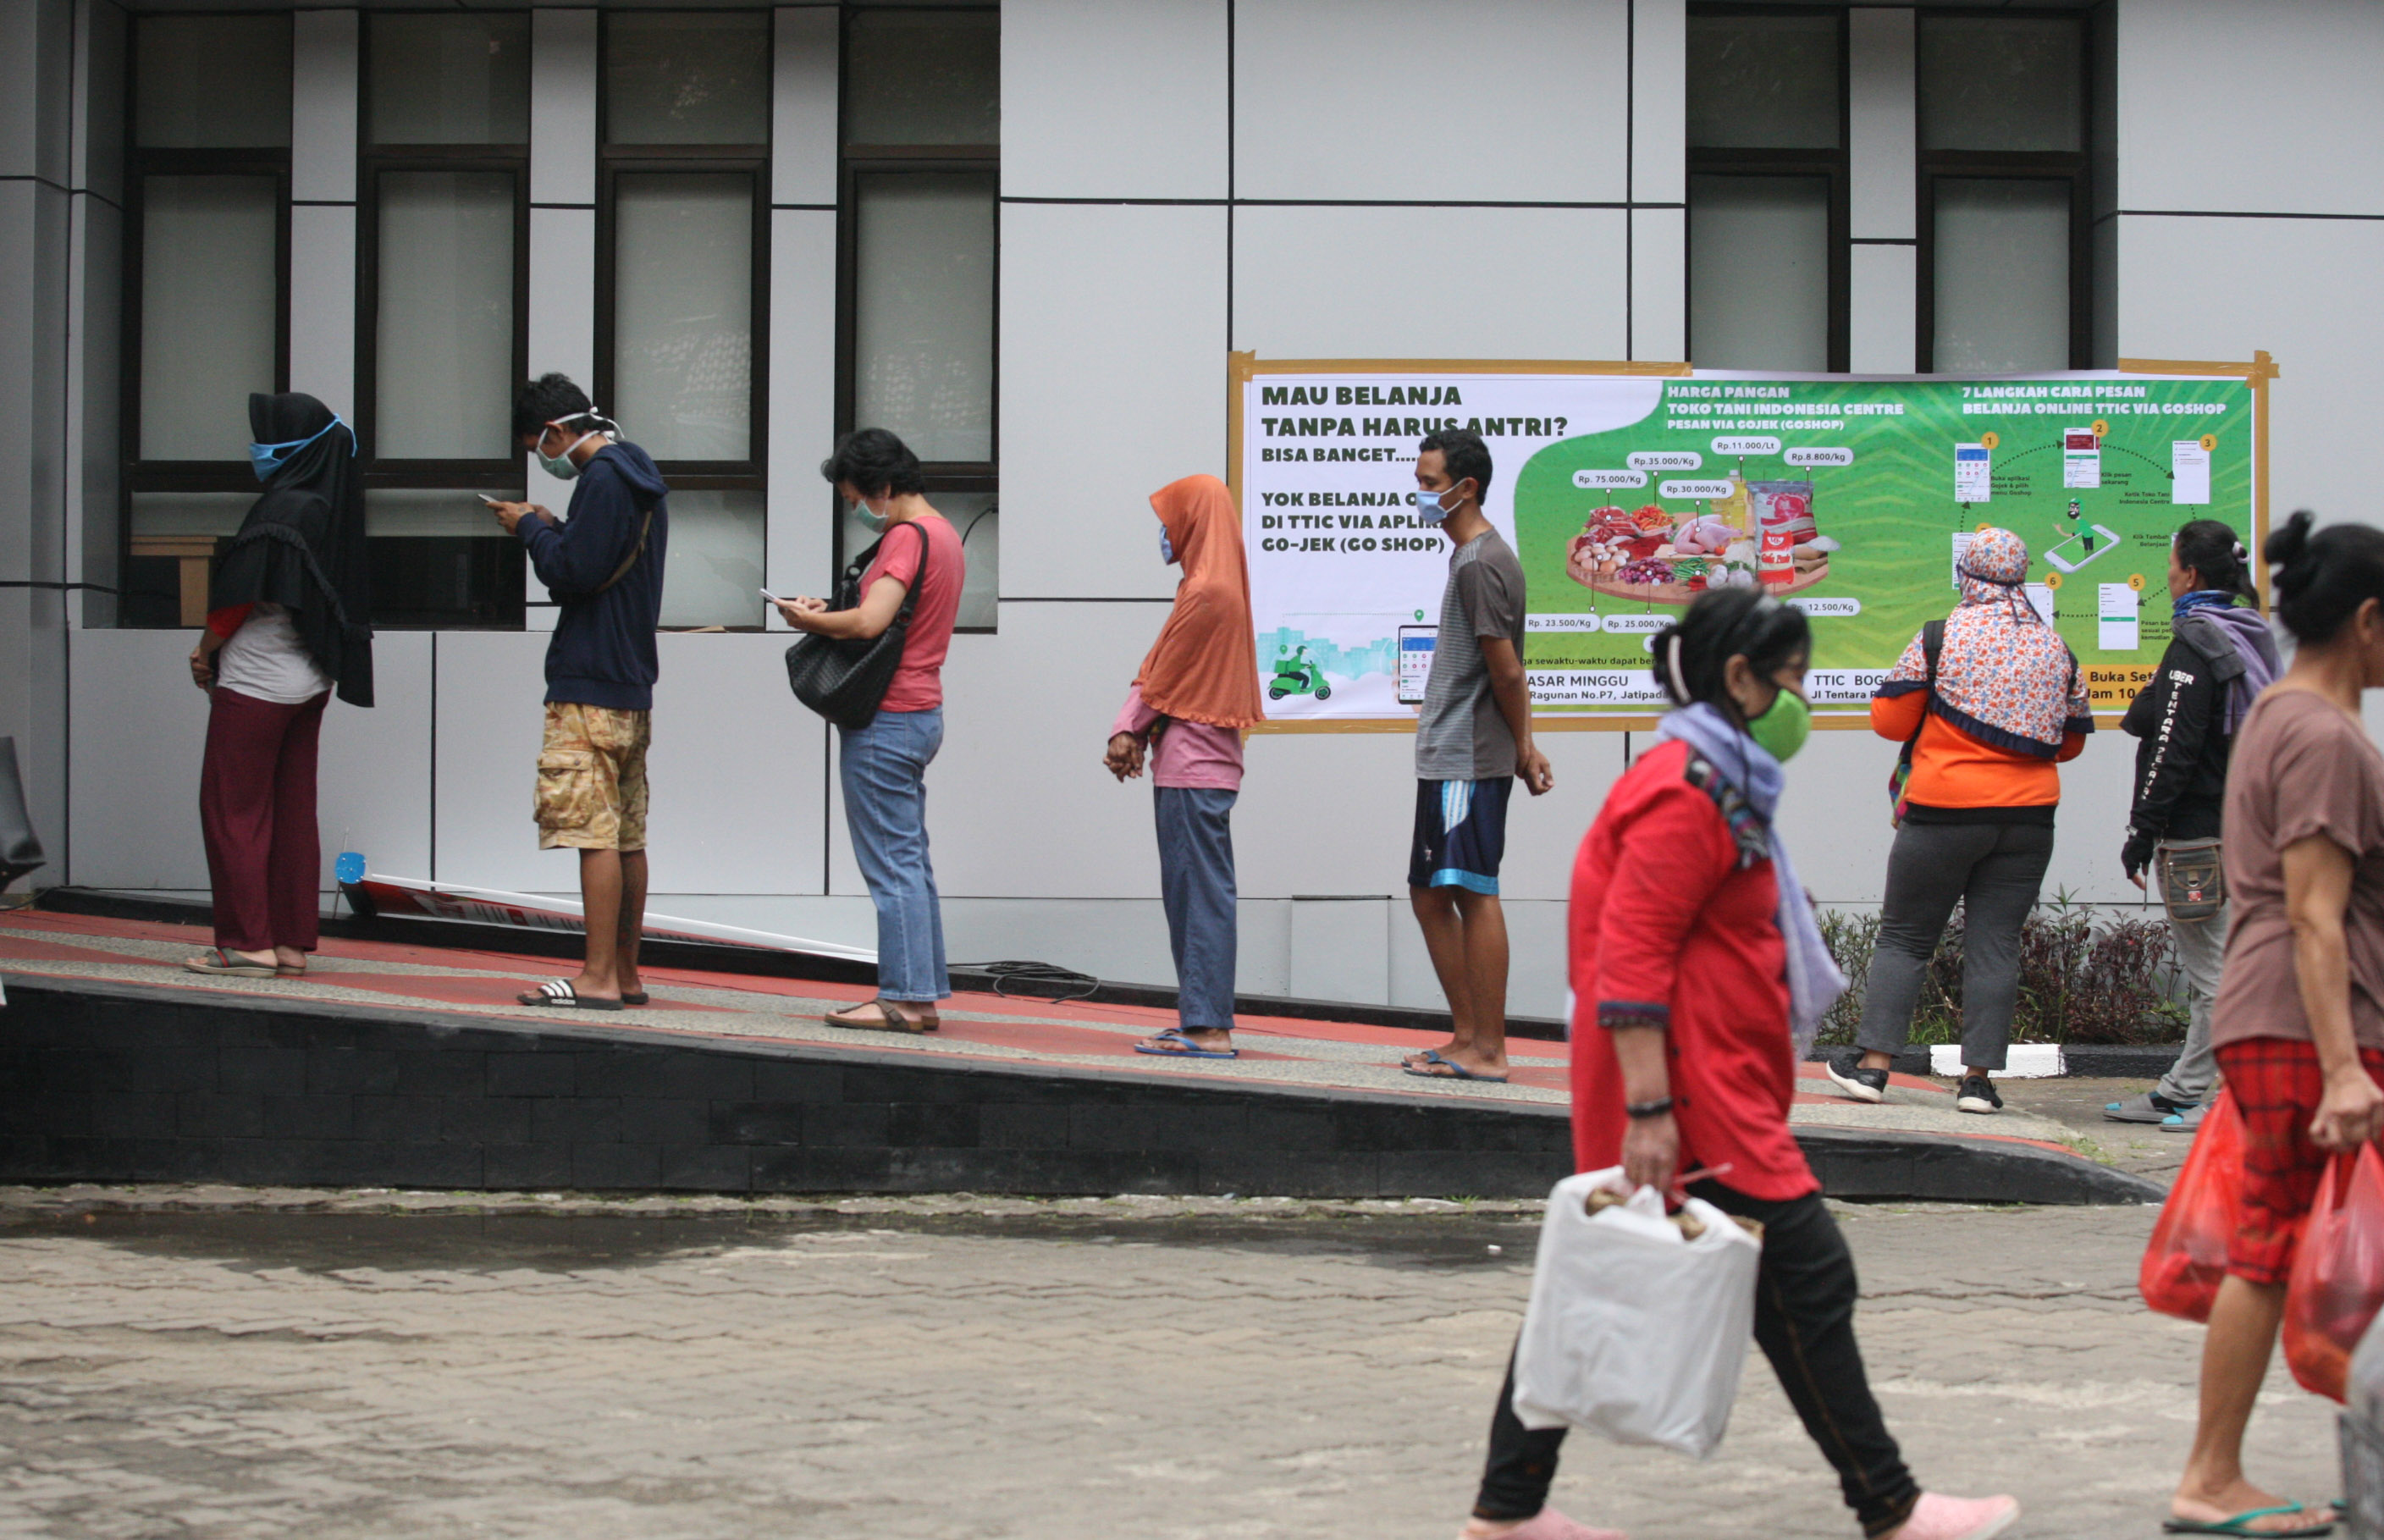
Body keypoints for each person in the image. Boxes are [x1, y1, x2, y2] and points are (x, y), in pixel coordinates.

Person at [1454, 589, 2018, 1540]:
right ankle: (1888, 1505)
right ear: (1739, 679)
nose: (1801, 697)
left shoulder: (1717, 779)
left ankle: (1507, 1510)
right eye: (1792, 679)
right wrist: (1648, 1110)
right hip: (1691, 1092)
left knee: (1600, 1282)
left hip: (1705, 1081)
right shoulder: (1686, 791)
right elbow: (1630, 953)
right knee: (1807, 1277)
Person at [2163, 511, 2384, 1539]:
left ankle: (2218, 1474)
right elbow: (2311, 910)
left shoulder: (2283, 717)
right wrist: (2343, 1071)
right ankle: (2208, 1479)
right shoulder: (2320, 734)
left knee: (2273, 1237)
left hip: (2286, 1020)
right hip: (2308, 1026)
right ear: (2370, 622)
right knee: (2265, 1243)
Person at [1826, 527, 2090, 1115]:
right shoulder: (2055, 647)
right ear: (2021, 575)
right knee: (1996, 945)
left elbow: (1891, 722)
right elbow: (2068, 743)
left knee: (1905, 936)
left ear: (1966, 573)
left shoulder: (1939, 637)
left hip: (1942, 813)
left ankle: (1872, 1069)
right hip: (2027, 821)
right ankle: (1978, 1082)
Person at [487, 373, 670, 1011]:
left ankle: (593, 978)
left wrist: (529, 531)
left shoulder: (600, 479)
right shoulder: (639, 476)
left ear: (558, 432)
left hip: (587, 678)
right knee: (627, 834)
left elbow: (572, 573)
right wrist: (554, 525)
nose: (540, 456)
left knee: (594, 832)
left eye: (537, 444)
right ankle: (626, 972)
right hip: (631, 680)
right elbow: (602, 559)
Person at [775, 428, 965, 1032]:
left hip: (887, 716)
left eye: (857, 498)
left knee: (892, 861)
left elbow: (870, 622)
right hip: (920, 710)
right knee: (910, 857)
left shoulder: (907, 537)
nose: (857, 510)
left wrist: (810, 618)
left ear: (884, 487)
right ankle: (920, 993)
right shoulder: (946, 534)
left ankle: (905, 998)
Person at [183, 392, 375, 980]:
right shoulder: (332, 504)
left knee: (233, 809)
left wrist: (202, 651)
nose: (258, 448)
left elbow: (235, 602)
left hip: (256, 682)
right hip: (311, 680)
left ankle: (245, 943)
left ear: (293, 446)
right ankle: (290, 942)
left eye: (267, 436)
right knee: (293, 811)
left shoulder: (282, 507)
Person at [2105, 521, 2278, 1133]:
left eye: (2171, 562)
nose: (2166, 573)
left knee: (2216, 976)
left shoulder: (2194, 645)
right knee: (2223, 969)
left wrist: (2141, 831)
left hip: (2194, 837)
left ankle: (2227, 1095)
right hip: (2240, 827)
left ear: (2192, 575)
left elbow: (2172, 749)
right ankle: (2183, 1089)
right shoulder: (2248, 635)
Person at [1401, 428, 1554, 1084]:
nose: (1421, 496)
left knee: (1469, 889)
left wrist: (1522, 745)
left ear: (1468, 488)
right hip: (1453, 754)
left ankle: (1489, 1049)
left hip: (1466, 757)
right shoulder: (1470, 557)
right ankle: (1467, 1035)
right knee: (1430, 893)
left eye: (1430, 485)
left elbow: (1508, 670)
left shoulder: (1480, 562)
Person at [1105, 474, 1266, 1059]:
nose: (1165, 531)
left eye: (1172, 517)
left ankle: (1207, 1028)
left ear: (1195, 520)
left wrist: (1127, 729)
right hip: (1201, 765)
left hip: (1192, 767)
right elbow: (1165, 673)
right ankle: (1201, 1017)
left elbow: (1163, 678)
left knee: (1197, 896)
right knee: (1197, 894)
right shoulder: (1211, 584)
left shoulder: (1207, 591)